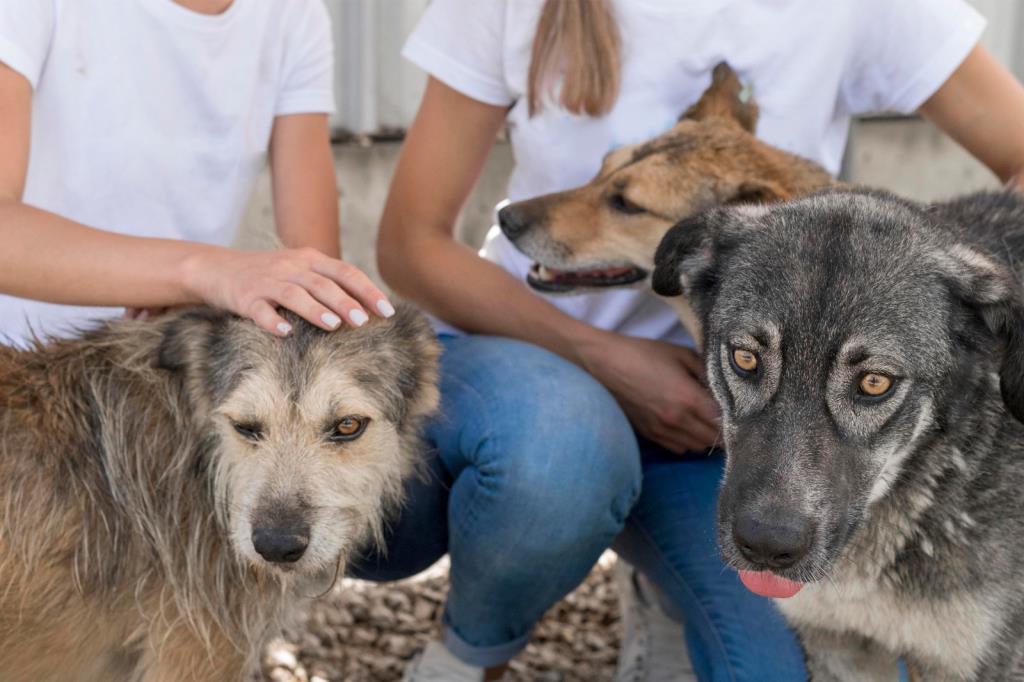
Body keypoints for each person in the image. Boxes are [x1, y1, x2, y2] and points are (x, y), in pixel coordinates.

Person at [356, 0, 1024, 681]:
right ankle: (469, 654)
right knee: (560, 456)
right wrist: (607, 360)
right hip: (535, 384)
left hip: (726, 421)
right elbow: (409, 242)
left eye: (624, 203)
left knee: (777, 667)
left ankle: (663, 582)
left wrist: (924, 283)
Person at [0, 0, 393, 347]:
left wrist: (226, 286)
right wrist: (201, 272)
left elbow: (313, 278)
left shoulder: (294, 14)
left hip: (163, 371)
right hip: (18, 366)